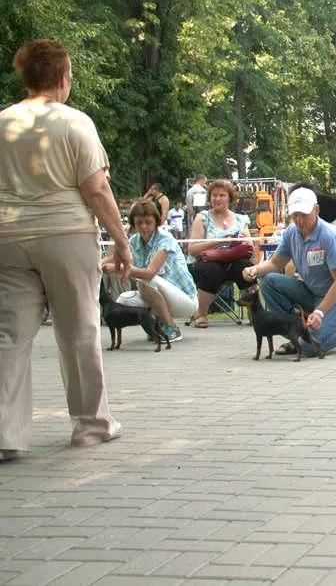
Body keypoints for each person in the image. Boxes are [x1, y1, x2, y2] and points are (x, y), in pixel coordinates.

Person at [0, 39, 128, 460]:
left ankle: (5, 434)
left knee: (9, 336)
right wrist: (121, 241)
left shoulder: (2, 123)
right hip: (66, 236)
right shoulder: (74, 123)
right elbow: (96, 188)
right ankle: (91, 425)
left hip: (8, 238)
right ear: (62, 78)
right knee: (78, 331)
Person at [242, 187, 336, 356]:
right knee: (268, 281)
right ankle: (295, 336)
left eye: (304, 214)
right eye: (295, 215)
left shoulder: (331, 237)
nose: (299, 220)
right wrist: (255, 269)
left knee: (311, 347)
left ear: (316, 210)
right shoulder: (291, 232)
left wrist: (319, 312)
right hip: (312, 292)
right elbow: (275, 263)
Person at [102, 200, 197, 342]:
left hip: (184, 300)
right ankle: (156, 325)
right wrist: (97, 265)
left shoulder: (165, 239)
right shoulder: (134, 241)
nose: (143, 227)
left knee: (144, 281)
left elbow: (150, 273)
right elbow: (111, 259)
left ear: (156, 222)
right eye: (139, 223)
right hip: (159, 295)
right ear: (133, 223)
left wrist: (119, 269)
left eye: (148, 222)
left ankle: (171, 327)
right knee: (124, 300)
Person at [186, 179, 254, 328]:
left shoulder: (240, 219)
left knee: (245, 266)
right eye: (214, 195)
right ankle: (201, 313)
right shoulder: (202, 218)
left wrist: (241, 240)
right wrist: (218, 241)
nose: (217, 199)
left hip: (233, 264)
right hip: (206, 265)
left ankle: (254, 312)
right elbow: (192, 249)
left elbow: (250, 248)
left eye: (222, 195)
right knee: (212, 269)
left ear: (229, 198)